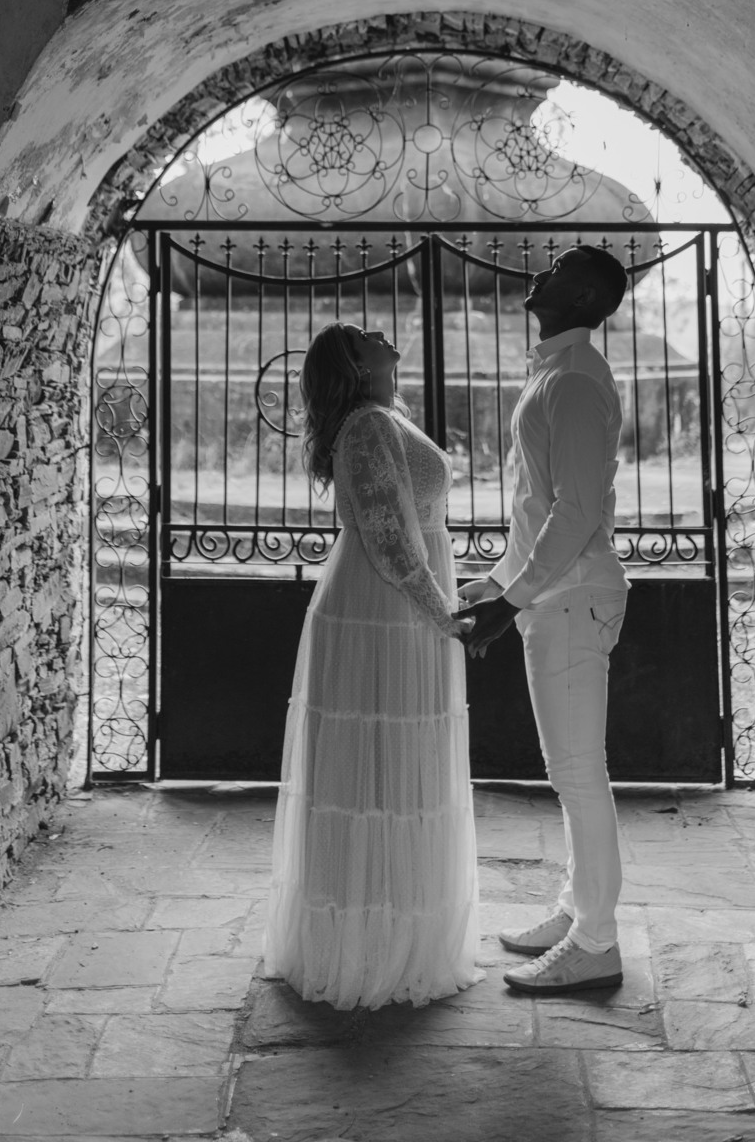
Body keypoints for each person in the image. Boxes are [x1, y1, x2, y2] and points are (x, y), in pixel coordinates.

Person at [266, 322, 481, 1009]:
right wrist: (443, 612)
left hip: (401, 604)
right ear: (356, 367)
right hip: (384, 606)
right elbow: (389, 539)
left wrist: (448, 599)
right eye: (364, 336)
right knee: (374, 772)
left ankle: (397, 924)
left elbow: (408, 521)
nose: (380, 331)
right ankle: (365, 946)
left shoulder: (387, 417)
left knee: (399, 769)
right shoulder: (366, 426)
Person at [460, 244, 630, 995]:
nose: (540, 272)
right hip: (554, 594)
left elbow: (576, 510)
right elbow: (537, 507)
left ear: (586, 296)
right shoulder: (556, 371)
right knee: (570, 774)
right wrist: (499, 581)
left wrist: (511, 600)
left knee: (579, 775)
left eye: (559, 267)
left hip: (571, 597)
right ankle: (575, 910)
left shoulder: (577, 379)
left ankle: (596, 942)